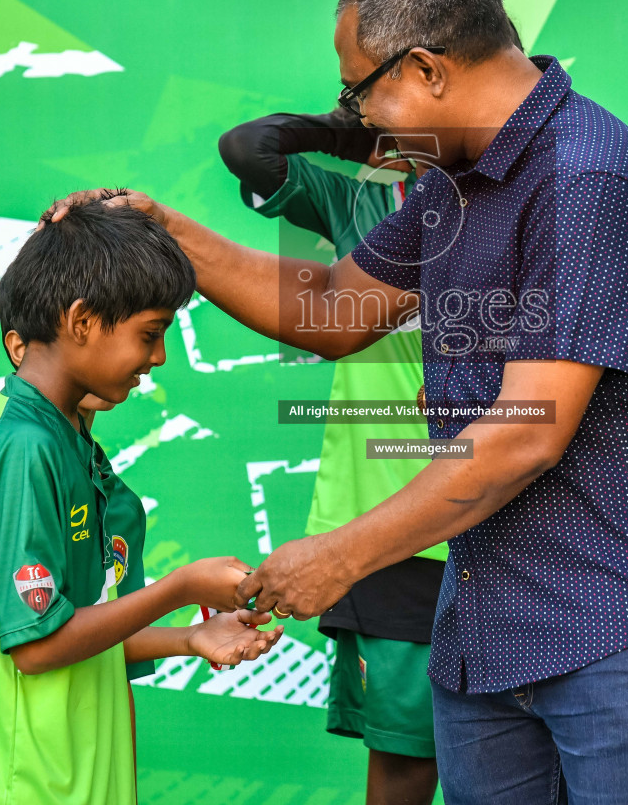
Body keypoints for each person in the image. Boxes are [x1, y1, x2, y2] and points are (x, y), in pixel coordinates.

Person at [51, 0, 628, 804]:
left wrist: (340, 558)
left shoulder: (587, 178)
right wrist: (166, 230)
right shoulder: (451, 181)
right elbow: (335, 308)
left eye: (359, 90)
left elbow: (523, 437)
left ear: (425, 68)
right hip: (488, 631)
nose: (358, 117)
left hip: (620, 628)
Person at [0, 202, 260, 805]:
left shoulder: (69, 446)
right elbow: (37, 646)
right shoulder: (23, 446)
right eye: (150, 334)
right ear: (81, 320)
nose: (158, 358)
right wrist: (182, 587)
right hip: (21, 783)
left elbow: (80, 629)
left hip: (72, 773)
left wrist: (189, 637)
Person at [220, 107, 442, 803]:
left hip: (502, 514)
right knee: (405, 763)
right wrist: (360, 131)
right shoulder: (366, 203)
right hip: (383, 527)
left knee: (514, 757)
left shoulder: (533, 204)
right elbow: (249, 149)